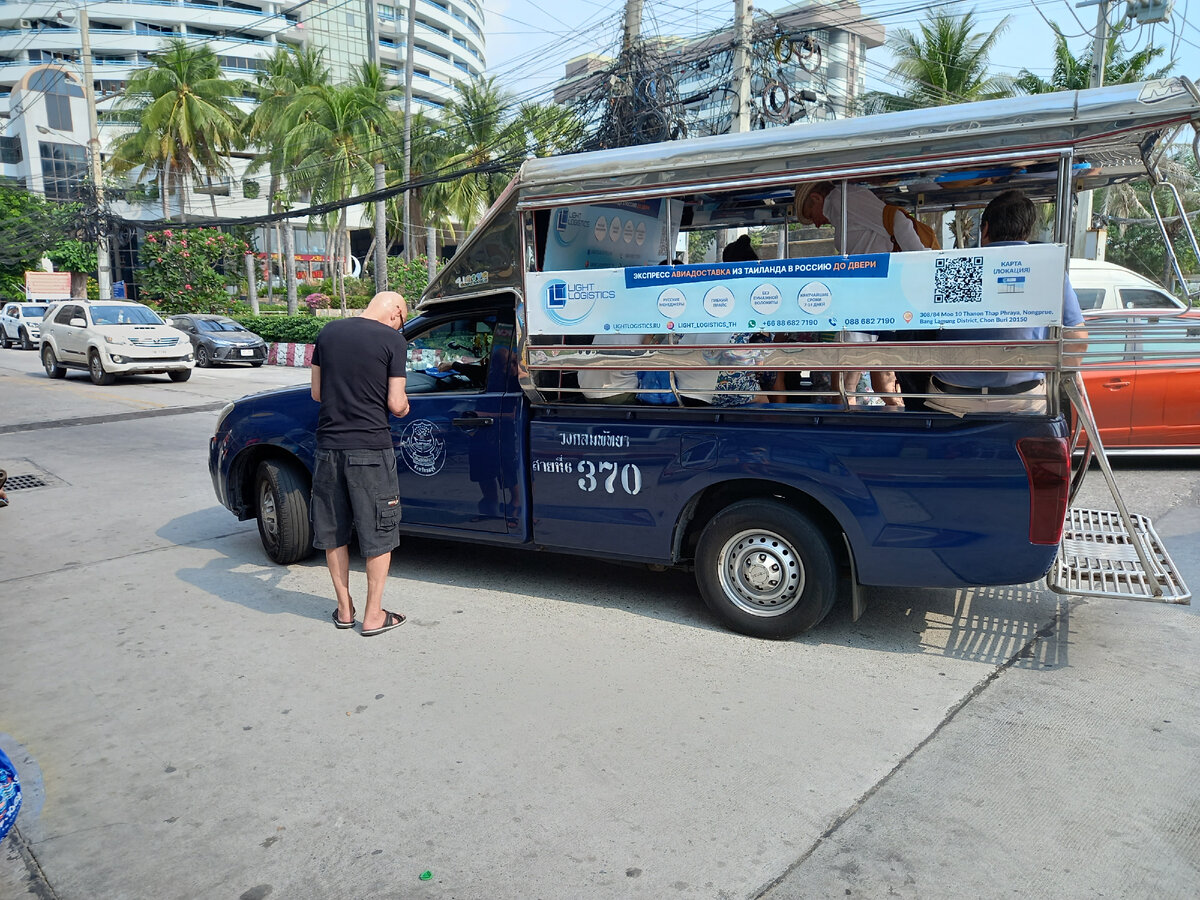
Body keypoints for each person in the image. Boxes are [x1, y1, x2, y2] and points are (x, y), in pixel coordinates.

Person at [926, 189, 1088, 415]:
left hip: (953, 399)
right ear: (1027, 231)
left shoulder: (958, 267)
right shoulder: (1046, 268)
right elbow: (1078, 338)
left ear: (986, 229)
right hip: (1021, 400)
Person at [310, 291, 410, 637]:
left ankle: (344, 608)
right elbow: (396, 404)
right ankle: (373, 616)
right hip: (370, 449)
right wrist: (403, 405)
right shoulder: (392, 341)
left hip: (329, 448)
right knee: (378, 531)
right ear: (396, 312)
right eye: (403, 318)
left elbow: (317, 394)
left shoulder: (328, 333)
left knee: (333, 531)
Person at [794, 181, 925, 407]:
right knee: (878, 382)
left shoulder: (845, 199)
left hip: (866, 297)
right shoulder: (843, 206)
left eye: (810, 214)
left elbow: (896, 219)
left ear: (816, 198)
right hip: (879, 296)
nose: (815, 223)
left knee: (844, 382)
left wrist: (919, 261)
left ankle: (846, 429)